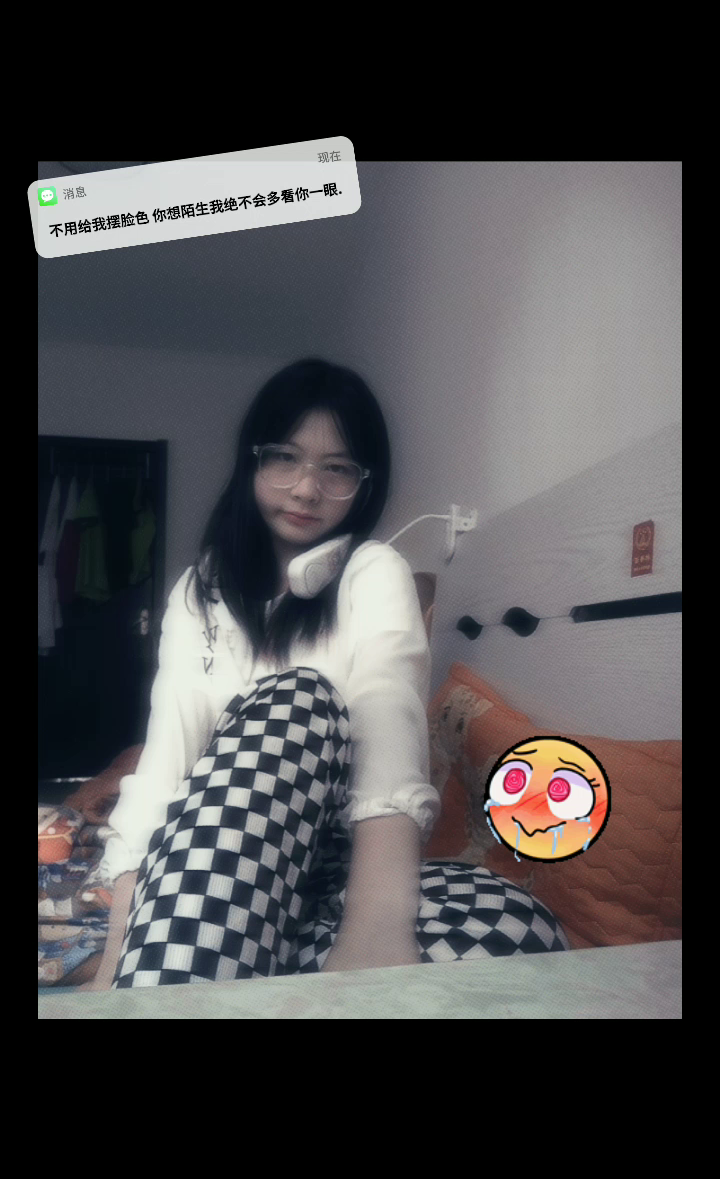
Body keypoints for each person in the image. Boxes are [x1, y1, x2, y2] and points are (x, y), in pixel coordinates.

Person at [84, 358, 570, 990]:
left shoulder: (373, 570)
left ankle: (222, 972)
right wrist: (117, 946)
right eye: (285, 458)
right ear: (253, 461)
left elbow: (387, 709)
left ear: (365, 483)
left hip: (337, 876)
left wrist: (375, 929)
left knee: (520, 926)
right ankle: (169, 980)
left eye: (337, 468)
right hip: (218, 852)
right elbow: (165, 759)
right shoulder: (201, 590)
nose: (307, 489)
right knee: (299, 701)